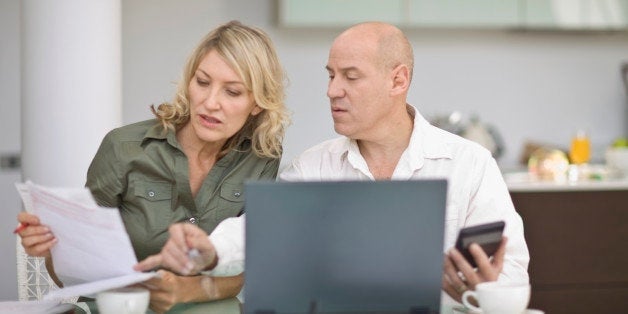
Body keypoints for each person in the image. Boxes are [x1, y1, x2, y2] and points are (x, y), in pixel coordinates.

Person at [137, 21, 529, 308]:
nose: (331, 90)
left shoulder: (469, 164)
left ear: (398, 80)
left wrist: (483, 291)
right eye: (330, 75)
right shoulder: (314, 167)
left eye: (350, 77)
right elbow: (257, 232)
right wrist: (210, 251)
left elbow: (512, 274)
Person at [16, 20, 289, 313]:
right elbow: (71, 275)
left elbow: (241, 270)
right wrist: (53, 252)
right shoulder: (124, 147)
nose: (210, 103)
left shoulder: (262, 157)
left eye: (232, 92)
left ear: (258, 103)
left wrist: (186, 291)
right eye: (203, 82)